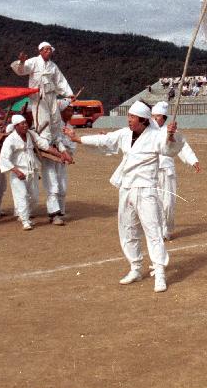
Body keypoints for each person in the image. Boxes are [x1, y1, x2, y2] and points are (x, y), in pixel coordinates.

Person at [65, 101, 183, 292]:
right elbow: (106, 140)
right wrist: (78, 139)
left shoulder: (156, 136)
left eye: (132, 117)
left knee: (153, 232)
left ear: (143, 120)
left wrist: (171, 135)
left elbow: (169, 149)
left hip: (146, 190)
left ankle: (159, 272)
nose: (129, 120)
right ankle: (135, 267)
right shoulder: (124, 134)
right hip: (126, 189)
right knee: (127, 229)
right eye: (128, 116)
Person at [151, 101, 200, 240]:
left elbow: (183, 147)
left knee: (168, 204)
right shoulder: (147, 131)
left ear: (164, 118)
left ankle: (168, 229)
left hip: (167, 172)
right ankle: (159, 231)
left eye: (157, 116)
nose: (154, 119)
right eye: (152, 116)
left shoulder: (172, 131)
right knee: (155, 204)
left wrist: (193, 160)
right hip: (152, 172)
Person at [0, 114, 57, 231]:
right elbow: (4, 158)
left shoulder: (31, 134)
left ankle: (23, 214)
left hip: (32, 171)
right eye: (22, 124)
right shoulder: (10, 140)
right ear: (16, 126)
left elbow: (43, 145)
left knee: (34, 197)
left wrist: (60, 154)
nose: (25, 125)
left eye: (26, 123)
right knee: (22, 196)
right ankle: (25, 220)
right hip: (18, 172)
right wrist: (16, 170)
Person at [10, 41, 74, 140]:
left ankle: (55, 139)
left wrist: (69, 94)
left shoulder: (53, 66)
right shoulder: (34, 61)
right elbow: (21, 71)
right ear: (40, 51)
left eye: (50, 49)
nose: (49, 51)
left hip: (51, 95)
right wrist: (22, 62)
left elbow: (60, 80)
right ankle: (45, 139)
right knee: (43, 118)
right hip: (38, 96)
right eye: (46, 49)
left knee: (55, 118)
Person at [41, 99, 76, 226]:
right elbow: (48, 142)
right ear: (60, 111)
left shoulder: (69, 127)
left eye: (72, 110)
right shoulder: (52, 124)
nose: (71, 113)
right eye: (68, 110)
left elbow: (70, 145)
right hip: (50, 159)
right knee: (53, 186)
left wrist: (67, 154)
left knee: (62, 187)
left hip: (62, 162)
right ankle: (54, 214)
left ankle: (60, 212)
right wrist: (60, 151)